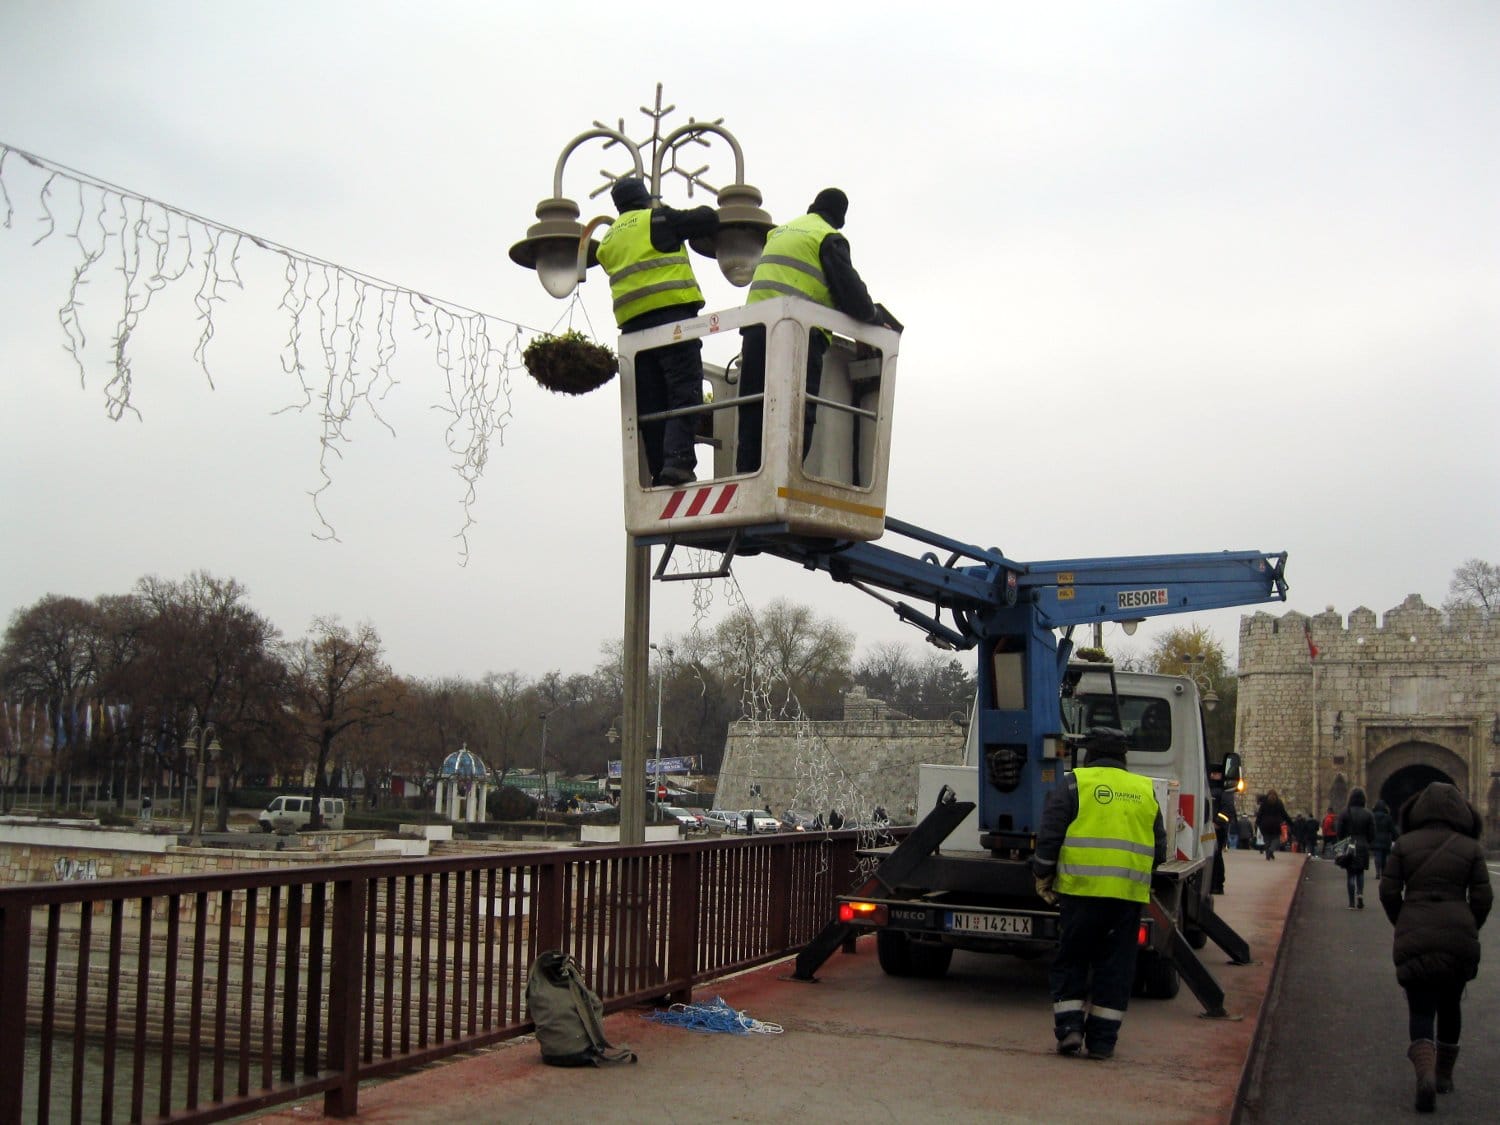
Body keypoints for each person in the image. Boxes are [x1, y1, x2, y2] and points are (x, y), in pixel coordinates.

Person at [1033, 728, 1167, 1061]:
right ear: (1124, 757)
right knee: (1116, 967)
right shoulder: (1143, 789)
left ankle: (1070, 1031)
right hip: (1126, 897)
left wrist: (1042, 874)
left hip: (1081, 893)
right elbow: (1159, 849)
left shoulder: (1074, 784)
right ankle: (1103, 1043)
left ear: (1089, 754)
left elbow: (1050, 834)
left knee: (1072, 959)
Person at [735, 187, 891, 473]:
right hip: (797, 334)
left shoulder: (780, 232)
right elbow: (849, 292)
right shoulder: (826, 237)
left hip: (757, 329)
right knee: (797, 410)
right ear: (840, 217)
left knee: (754, 406)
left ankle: (747, 475)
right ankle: (788, 474)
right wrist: (874, 316)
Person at [596, 177, 719, 487]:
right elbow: (707, 218)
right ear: (644, 198)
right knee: (683, 391)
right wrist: (661, 208)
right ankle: (677, 462)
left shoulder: (608, 241)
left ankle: (659, 470)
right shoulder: (658, 219)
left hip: (635, 332)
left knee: (651, 404)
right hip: (673, 320)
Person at [1379, 782, 1492, 1112]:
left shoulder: (1405, 845)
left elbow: (1388, 891)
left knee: (1421, 1006)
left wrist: (1403, 920)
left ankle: (1424, 1070)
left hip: (1416, 931)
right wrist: (1469, 924)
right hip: (1458, 936)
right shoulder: (1471, 849)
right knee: (1451, 1004)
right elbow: (1483, 897)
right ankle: (1443, 1075)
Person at [1337, 787, 1376, 909]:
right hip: (1363, 844)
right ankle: (1360, 894)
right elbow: (1372, 833)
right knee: (1360, 872)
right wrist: (1367, 842)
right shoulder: (1368, 813)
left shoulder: (1345, 812)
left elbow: (1339, 831)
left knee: (1350, 874)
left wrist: (1343, 842)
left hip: (1349, 844)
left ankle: (1351, 902)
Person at [1255, 789, 1290, 861]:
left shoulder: (1264, 803)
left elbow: (1260, 814)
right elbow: (1284, 814)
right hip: (1276, 824)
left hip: (1265, 824)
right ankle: (1271, 850)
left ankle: (1268, 854)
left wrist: (1257, 822)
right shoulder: (1279, 802)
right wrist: (1290, 822)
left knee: (1267, 840)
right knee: (1276, 839)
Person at [1371, 797, 1398, 880]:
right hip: (1386, 840)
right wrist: (1396, 837)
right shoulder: (1388, 817)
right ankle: (1384, 872)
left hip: (1375, 839)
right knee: (1384, 856)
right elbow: (1392, 829)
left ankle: (1377, 872)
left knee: (1377, 856)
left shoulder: (1372, 817)